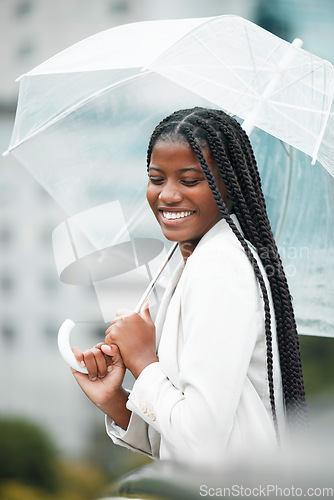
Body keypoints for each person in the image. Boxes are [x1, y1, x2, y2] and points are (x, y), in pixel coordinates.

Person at [72, 107, 307, 468]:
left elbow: (202, 443)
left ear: (229, 185)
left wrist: (142, 359)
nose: (166, 195)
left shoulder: (219, 266)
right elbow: (183, 438)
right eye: (156, 178)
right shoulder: (196, 260)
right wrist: (114, 400)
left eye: (190, 179)